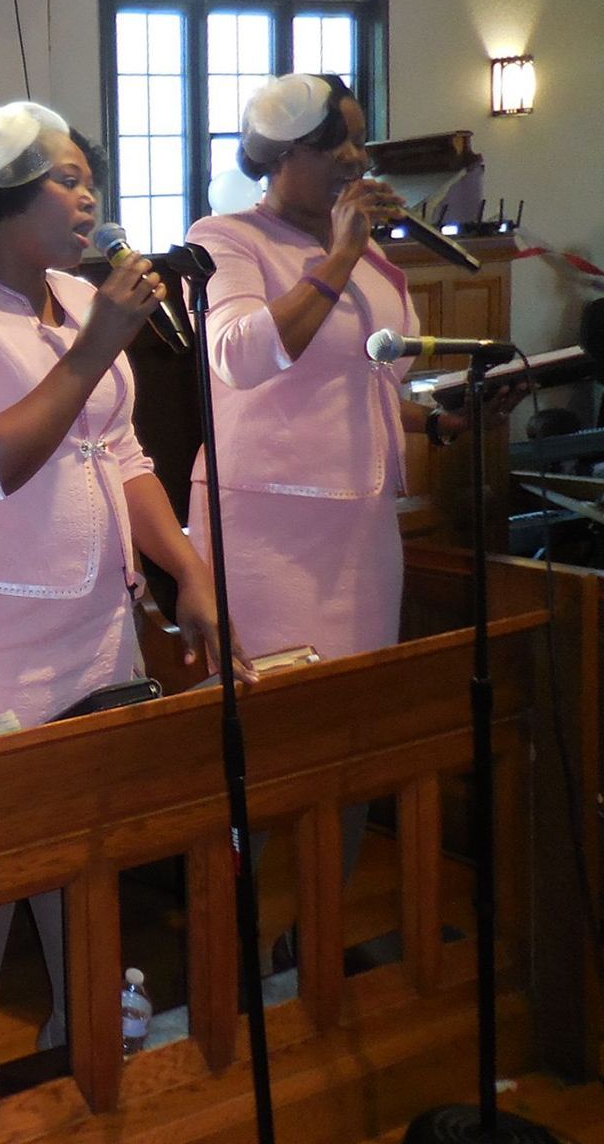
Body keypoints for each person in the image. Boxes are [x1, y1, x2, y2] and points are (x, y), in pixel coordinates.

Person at [0, 102, 243, 1048]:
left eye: (92, 179)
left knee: (93, 845)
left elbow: (123, 454)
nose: (91, 198)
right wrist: (96, 347)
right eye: (67, 179)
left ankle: (82, 1050)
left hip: (98, 618)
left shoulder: (85, 300)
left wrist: (187, 566)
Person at [184, 74, 515, 896]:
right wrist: (336, 254)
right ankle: (246, 956)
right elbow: (242, 357)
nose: (357, 159)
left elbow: (370, 382)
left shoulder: (370, 259)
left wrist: (442, 421)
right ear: (287, 154)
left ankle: (316, 936)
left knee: (353, 740)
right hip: (266, 533)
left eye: (360, 143)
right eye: (340, 144)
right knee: (269, 747)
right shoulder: (226, 238)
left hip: (361, 533)